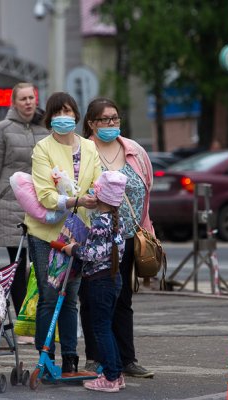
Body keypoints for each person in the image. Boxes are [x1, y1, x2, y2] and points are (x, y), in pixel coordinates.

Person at [24, 92, 102, 376]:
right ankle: (46, 359)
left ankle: (70, 359)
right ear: (49, 119)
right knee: (49, 293)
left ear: (76, 115)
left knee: (70, 295)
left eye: (68, 111)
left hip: (79, 230)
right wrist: (76, 201)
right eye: (57, 113)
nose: (64, 118)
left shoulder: (89, 147)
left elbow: (96, 182)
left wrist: (94, 195)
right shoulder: (42, 148)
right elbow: (45, 195)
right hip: (47, 232)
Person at [79, 97, 155, 378]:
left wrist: (148, 232)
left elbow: (146, 193)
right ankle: (94, 357)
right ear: (91, 123)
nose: (111, 124)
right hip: (94, 238)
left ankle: (127, 359)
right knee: (92, 299)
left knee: (123, 299)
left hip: (128, 237)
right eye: (104, 119)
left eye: (115, 118)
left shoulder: (134, 150)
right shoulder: (84, 151)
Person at [0, 82, 49, 325]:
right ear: (14, 103)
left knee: (41, 266)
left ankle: (42, 319)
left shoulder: (46, 128)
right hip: (10, 205)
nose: (28, 102)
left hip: (41, 203)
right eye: (23, 98)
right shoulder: (2, 129)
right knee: (16, 266)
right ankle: (23, 323)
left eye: (31, 98)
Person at [62, 170, 127, 393]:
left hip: (99, 282)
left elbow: (93, 254)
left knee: (101, 330)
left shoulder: (100, 222)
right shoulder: (119, 221)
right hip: (113, 279)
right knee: (107, 327)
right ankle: (116, 373)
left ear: (99, 197)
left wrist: (73, 248)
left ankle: (109, 378)